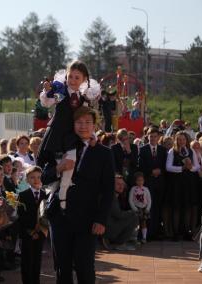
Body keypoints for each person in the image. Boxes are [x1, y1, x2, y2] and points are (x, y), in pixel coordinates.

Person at [45, 106, 114, 284]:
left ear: (94, 125)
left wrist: (101, 219)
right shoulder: (60, 147)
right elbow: (43, 177)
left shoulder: (104, 153)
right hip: (59, 216)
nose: (83, 126)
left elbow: (108, 190)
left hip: (87, 219)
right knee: (62, 267)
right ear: (72, 124)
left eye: (88, 122)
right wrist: (60, 168)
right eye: (79, 122)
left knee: (85, 266)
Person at [38, 60, 100, 211]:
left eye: (77, 77)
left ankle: (63, 192)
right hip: (57, 133)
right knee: (55, 166)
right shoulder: (61, 90)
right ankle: (52, 196)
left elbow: (86, 118)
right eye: (70, 76)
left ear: (84, 79)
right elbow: (46, 102)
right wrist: (47, 91)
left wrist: (92, 134)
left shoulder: (83, 98)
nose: (72, 80)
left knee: (71, 162)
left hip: (71, 136)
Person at [165, 131, 200, 241]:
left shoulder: (191, 151)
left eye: (183, 139)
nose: (181, 141)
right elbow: (168, 167)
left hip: (188, 183)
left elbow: (197, 166)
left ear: (186, 140)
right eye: (179, 139)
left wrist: (190, 168)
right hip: (176, 183)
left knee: (187, 207)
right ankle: (175, 233)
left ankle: (186, 232)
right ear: (176, 140)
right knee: (176, 208)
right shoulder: (172, 151)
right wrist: (181, 168)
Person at [18, 166, 46, 284]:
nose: (36, 180)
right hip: (27, 234)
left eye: (39, 177)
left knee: (37, 260)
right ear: (27, 180)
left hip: (40, 234)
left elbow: (46, 217)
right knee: (27, 261)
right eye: (32, 177)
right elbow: (20, 216)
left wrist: (40, 231)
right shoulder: (22, 195)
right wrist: (30, 231)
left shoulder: (45, 195)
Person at [138, 127, 167, 240]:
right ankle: (148, 233)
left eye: (155, 136)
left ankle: (156, 232)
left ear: (158, 137)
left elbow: (166, 165)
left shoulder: (162, 149)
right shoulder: (143, 149)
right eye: (151, 136)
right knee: (149, 207)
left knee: (158, 207)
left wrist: (160, 171)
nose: (153, 138)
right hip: (148, 182)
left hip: (160, 183)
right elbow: (141, 165)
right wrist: (151, 172)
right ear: (147, 137)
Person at [104, 174, 139, 251]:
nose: (121, 186)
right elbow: (118, 214)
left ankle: (125, 241)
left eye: (122, 184)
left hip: (107, 227)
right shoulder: (111, 196)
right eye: (118, 184)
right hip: (107, 230)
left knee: (132, 215)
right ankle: (119, 243)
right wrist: (131, 212)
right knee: (134, 216)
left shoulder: (113, 195)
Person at [128, 172, 151, 243]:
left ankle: (144, 237)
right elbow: (130, 200)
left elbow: (149, 200)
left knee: (144, 223)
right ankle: (135, 237)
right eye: (138, 180)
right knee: (136, 223)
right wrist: (134, 209)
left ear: (144, 181)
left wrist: (147, 208)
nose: (140, 182)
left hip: (144, 209)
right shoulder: (133, 189)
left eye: (141, 180)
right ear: (135, 181)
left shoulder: (146, 189)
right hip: (136, 208)